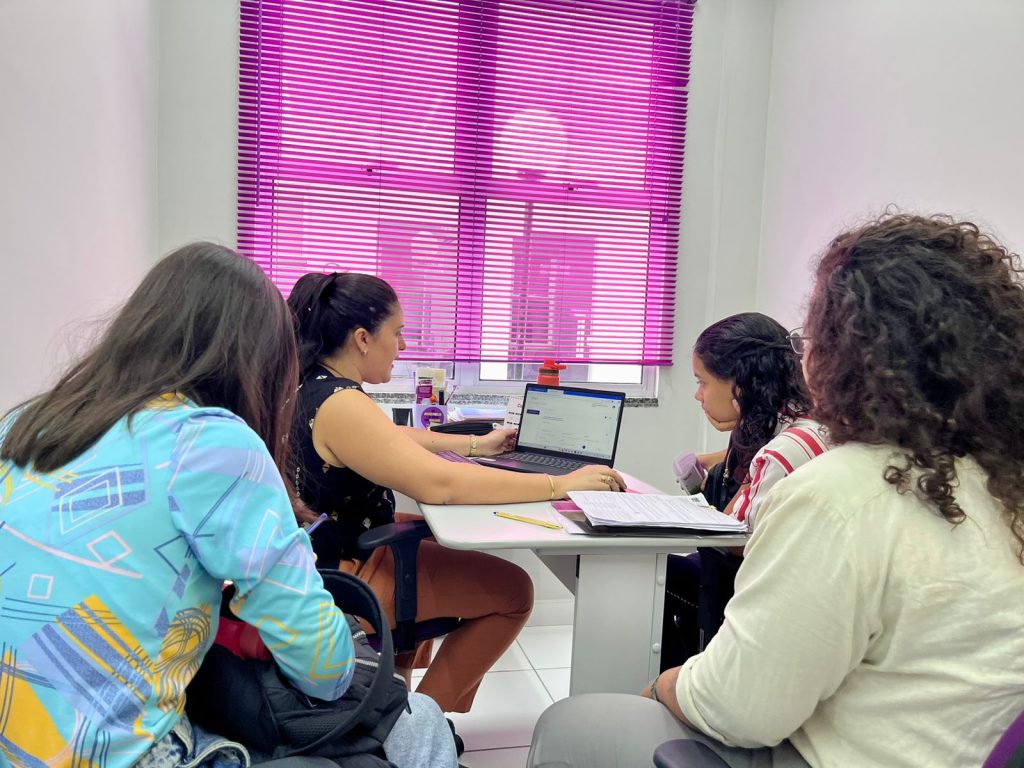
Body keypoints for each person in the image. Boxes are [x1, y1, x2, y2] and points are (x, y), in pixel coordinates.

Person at [527, 213, 1024, 767]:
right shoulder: (1004, 481)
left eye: (809, 338)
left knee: (571, 724)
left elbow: (739, 710)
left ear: (845, 355)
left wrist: (665, 683)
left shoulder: (841, 495)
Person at [0, 244, 455, 768]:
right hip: (120, 754)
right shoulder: (211, 442)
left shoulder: (30, 425)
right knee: (419, 723)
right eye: (398, 333)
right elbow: (325, 670)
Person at [286, 271, 626, 715]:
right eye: (397, 333)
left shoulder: (313, 386)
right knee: (515, 592)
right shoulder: (343, 403)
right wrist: (559, 484)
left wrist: (476, 445)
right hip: (348, 574)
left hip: (328, 551)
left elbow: (392, 438)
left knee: (440, 546)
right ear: (363, 339)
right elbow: (441, 485)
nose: (402, 346)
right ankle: (416, 725)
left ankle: (398, 698)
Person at [662, 313, 828, 666]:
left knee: (654, 578)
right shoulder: (801, 420)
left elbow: (733, 538)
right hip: (781, 583)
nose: (698, 395)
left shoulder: (779, 453)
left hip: (755, 590)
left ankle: (679, 677)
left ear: (739, 383)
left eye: (702, 382)